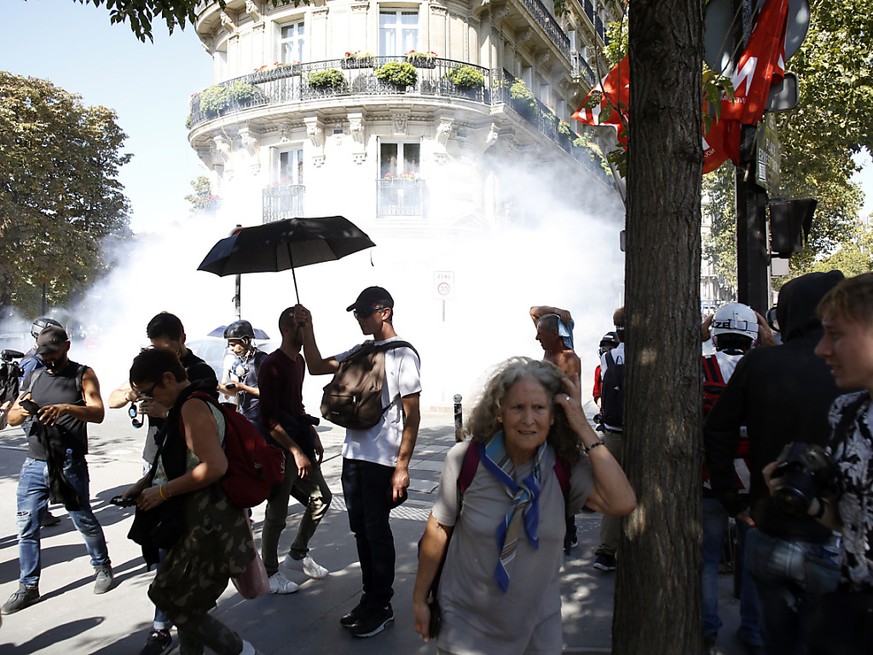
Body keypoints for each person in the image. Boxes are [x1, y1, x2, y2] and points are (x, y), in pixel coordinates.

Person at [412, 357, 636, 654]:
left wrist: (583, 426)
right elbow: (438, 529)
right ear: (501, 412)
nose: (528, 419)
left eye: (539, 408)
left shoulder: (564, 467)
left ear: (554, 415)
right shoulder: (466, 460)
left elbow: (623, 502)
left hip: (537, 629)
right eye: (517, 407)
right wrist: (420, 599)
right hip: (466, 626)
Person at [704, 271, 845, 655]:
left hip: (770, 521)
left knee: (772, 637)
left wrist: (733, 499)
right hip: (837, 535)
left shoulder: (762, 364)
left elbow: (718, 430)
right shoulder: (853, 368)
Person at [295, 286, 421, 638]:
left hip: (382, 461)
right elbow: (319, 365)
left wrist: (402, 467)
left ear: (385, 312)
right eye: (356, 313)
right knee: (361, 531)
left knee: (377, 532)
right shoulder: (361, 350)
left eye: (364, 312)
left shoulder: (403, 356)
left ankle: (381, 605)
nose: (359, 318)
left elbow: (413, 417)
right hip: (354, 457)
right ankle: (369, 599)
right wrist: (308, 327)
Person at [123, 347, 259, 655]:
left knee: (168, 596)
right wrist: (144, 484)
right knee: (186, 600)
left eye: (149, 392)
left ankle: (238, 650)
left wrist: (162, 492)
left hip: (207, 525)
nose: (148, 401)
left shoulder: (193, 408)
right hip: (196, 521)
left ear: (168, 379)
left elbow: (214, 466)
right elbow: (180, 461)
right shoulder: (185, 404)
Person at [768, 272, 873, 655]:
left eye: (837, 335)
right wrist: (805, 500)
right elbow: (849, 521)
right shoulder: (846, 411)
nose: (822, 349)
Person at [107, 311, 218, 655]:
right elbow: (112, 399)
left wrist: (165, 413)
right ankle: (179, 622)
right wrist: (145, 484)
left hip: (184, 476)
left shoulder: (199, 380)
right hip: (158, 464)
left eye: (167, 349)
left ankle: (182, 627)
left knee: (175, 568)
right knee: (164, 560)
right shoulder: (152, 368)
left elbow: (211, 462)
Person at [1, 326, 113, 615]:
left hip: (68, 462)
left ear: (67, 346)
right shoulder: (34, 375)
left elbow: (98, 412)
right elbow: (11, 417)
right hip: (35, 461)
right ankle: (28, 586)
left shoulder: (82, 374)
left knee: (83, 519)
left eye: (53, 352)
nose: (48, 359)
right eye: (44, 354)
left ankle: (102, 567)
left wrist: (66, 409)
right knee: (26, 526)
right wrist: (23, 411)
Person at [699, 302, 765, 655]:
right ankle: (753, 631)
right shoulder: (763, 367)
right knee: (754, 561)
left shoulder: (702, 365)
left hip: (711, 476)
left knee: (707, 559)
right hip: (754, 479)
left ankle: (708, 629)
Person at [258, 307, 331, 594]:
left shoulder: (299, 361)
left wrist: (310, 432)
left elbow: (295, 405)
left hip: (299, 441)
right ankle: (269, 572)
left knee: (321, 497)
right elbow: (268, 419)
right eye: (303, 325)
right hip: (279, 449)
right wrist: (294, 451)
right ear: (288, 329)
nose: (308, 331)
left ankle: (298, 553)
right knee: (276, 513)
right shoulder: (271, 365)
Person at [529, 305, 582, 554]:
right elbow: (533, 311)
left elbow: (572, 398)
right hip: (544, 425)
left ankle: (567, 533)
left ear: (555, 335)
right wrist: (559, 312)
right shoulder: (547, 351)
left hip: (562, 428)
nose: (536, 337)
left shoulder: (569, 359)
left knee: (563, 481)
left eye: (541, 333)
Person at [18, 316, 65, 528]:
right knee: (43, 459)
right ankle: (41, 508)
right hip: (33, 417)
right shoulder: (33, 361)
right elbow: (25, 392)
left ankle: (43, 505)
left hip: (39, 415)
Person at [593, 306, 626, 572]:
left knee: (613, 491)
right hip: (642, 433)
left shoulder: (610, 357)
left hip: (614, 433)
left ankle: (605, 553)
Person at [218, 320, 267, 424]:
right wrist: (219, 388)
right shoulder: (239, 361)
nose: (230, 349)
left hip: (260, 421)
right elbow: (235, 392)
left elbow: (268, 394)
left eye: (233, 345)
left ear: (245, 341)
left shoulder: (261, 360)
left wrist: (242, 387)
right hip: (243, 418)